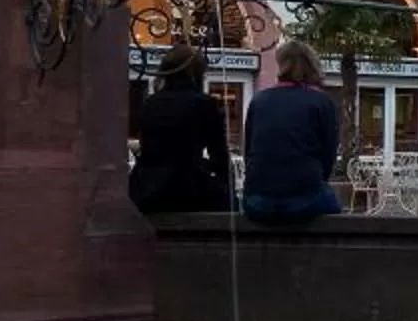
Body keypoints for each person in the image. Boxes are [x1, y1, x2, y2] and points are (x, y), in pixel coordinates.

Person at [238, 40, 343, 225]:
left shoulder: (259, 100)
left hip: (258, 201)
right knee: (334, 206)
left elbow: (249, 151)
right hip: (305, 199)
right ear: (312, 65)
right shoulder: (321, 102)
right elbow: (328, 156)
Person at [127, 44, 231, 217]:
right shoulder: (204, 104)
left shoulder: (150, 104)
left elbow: (146, 148)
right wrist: (224, 185)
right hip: (187, 190)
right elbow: (219, 155)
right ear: (197, 73)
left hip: (145, 190)